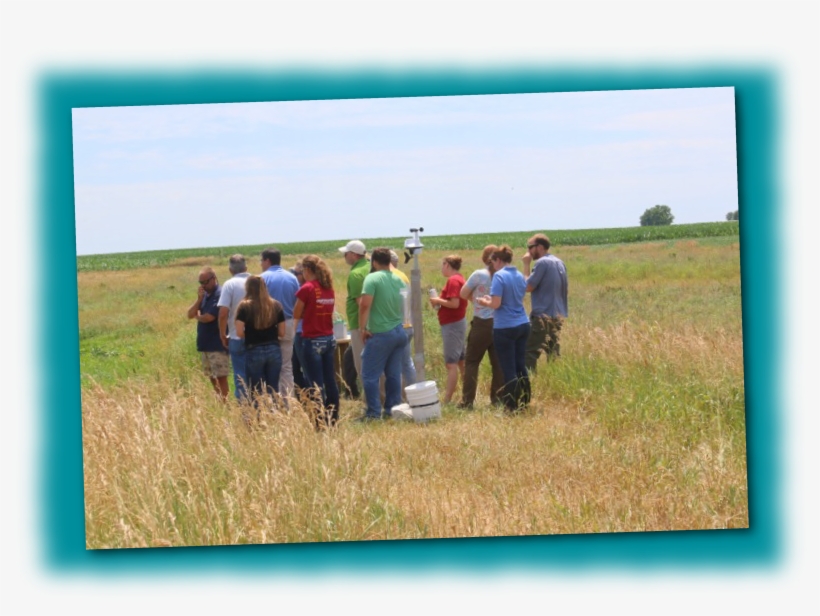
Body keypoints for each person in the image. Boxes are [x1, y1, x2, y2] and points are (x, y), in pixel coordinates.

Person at [477, 246, 531, 412]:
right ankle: (525, 400)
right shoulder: (519, 275)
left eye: (492, 262)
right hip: (523, 323)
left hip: (505, 327)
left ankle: (511, 406)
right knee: (520, 365)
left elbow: (496, 304)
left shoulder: (499, 276)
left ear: (498, 260)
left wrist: (484, 301)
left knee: (508, 368)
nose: (492, 265)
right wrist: (491, 299)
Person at [358, 247, 408, 420]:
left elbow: (364, 305)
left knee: (369, 375)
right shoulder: (399, 279)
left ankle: (373, 413)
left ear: (374, 261)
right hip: (398, 332)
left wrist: (362, 328)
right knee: (393, 374)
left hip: (381, 333)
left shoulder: (372, 278)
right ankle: (393, 409)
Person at [293, 255, 340, 429]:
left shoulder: (307, 288)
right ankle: (333, 418)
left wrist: (292, 334)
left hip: (311, 339)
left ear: (307, 270)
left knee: (315, 384)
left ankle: (319, 421)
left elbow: (296, 313)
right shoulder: (328, 288)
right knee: (330, 381)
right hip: (328, 338)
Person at [458, 245, 505, 408]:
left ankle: (467, 401)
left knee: (472, 361)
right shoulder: (503, 276)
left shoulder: (478, 275)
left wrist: (477, 301)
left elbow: (463, 294)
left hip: (482, 322)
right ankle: (497, 399)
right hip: (500, 322)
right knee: (498, 363)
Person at [235, 275, 286, 407]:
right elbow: (282, 332)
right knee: (273, 388)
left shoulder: (244, 306)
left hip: (254, 349)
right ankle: (275, 417)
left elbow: (239, 333)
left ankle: (260, 420)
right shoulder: (276, 305)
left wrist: (252, 333)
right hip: (274, 350)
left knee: (256, 391)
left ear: (248, 288)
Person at [522, 233, 568, 371]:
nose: (529, 251)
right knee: (553, 351)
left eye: (530, 247)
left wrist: (526, 265)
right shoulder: (560, 262)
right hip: (557, 315)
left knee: (529, 352)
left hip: (543, 316)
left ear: (540, 247)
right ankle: (554, 380)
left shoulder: (542, 263)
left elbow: (528, 286)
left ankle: (528, 382)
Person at [260, 247, 300, 399]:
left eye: (261, 260)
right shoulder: (292, 278)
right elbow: (297, 302)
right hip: (289, 323)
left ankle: (272, 400)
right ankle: (288, 400)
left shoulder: (263, 278)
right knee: (286, 366)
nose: (261, 264)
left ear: (267, 260)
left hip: (268, 325)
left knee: (268, 365)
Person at [429, 255, 467, 404]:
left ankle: (447, 400)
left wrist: (438, 300)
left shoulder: (453, 280)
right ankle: (467, 394)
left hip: (452, 325)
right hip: (457, 323)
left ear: (448, 265)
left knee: (451, 363)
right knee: (461, 361)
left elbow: (454, 304)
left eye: (443, 264)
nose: (441, 267)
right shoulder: (459, 278)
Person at [187, 266, 229, 400]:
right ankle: (220, 401)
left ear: (214, 279)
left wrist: (198, 317)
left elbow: (209, 317)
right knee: (212, 377)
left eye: (206, 281)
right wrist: (199, 300)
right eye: (201, 283)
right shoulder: (204, 296)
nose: (204, 285)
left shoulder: (220, 294)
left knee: (221, 377)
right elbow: (189, 314)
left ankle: (226, 403)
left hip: (217, 344)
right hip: (206, 344)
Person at [217, 255, 251, 401]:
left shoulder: (229, 284)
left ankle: (245, 413)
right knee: (257, 376)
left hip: (236, 337)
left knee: (240, 377)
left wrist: (222, 334)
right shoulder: (257, 281)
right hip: (258, 337)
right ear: (246, 268)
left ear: (230, 270)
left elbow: (223, 313)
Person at [339, 240, 369, 383]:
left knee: (362, 364)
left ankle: (370, 400)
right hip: (375, 323)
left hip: (360, 324)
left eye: (346, 253)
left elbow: (361, 304)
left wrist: (363, 327)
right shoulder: (370, 267)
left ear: (353, 254)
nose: (344, 256)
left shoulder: (356, 274)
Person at [390, 249, 416, 388]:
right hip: (408, 324)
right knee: (407, 363)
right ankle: (412, 396)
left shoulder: (390, 276)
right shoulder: (403, 275)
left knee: (394, 365)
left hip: (396, 325)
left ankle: (397, 398)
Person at [289, 263, 310, 392]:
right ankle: (301, 395)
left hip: (302, 332)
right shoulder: (297, 288)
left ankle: (309, 395)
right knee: (294, 367)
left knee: (306, 368)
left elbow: (299, 312)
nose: (294, 276)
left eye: (296, 273)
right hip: (297, 331)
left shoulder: (306, 289)